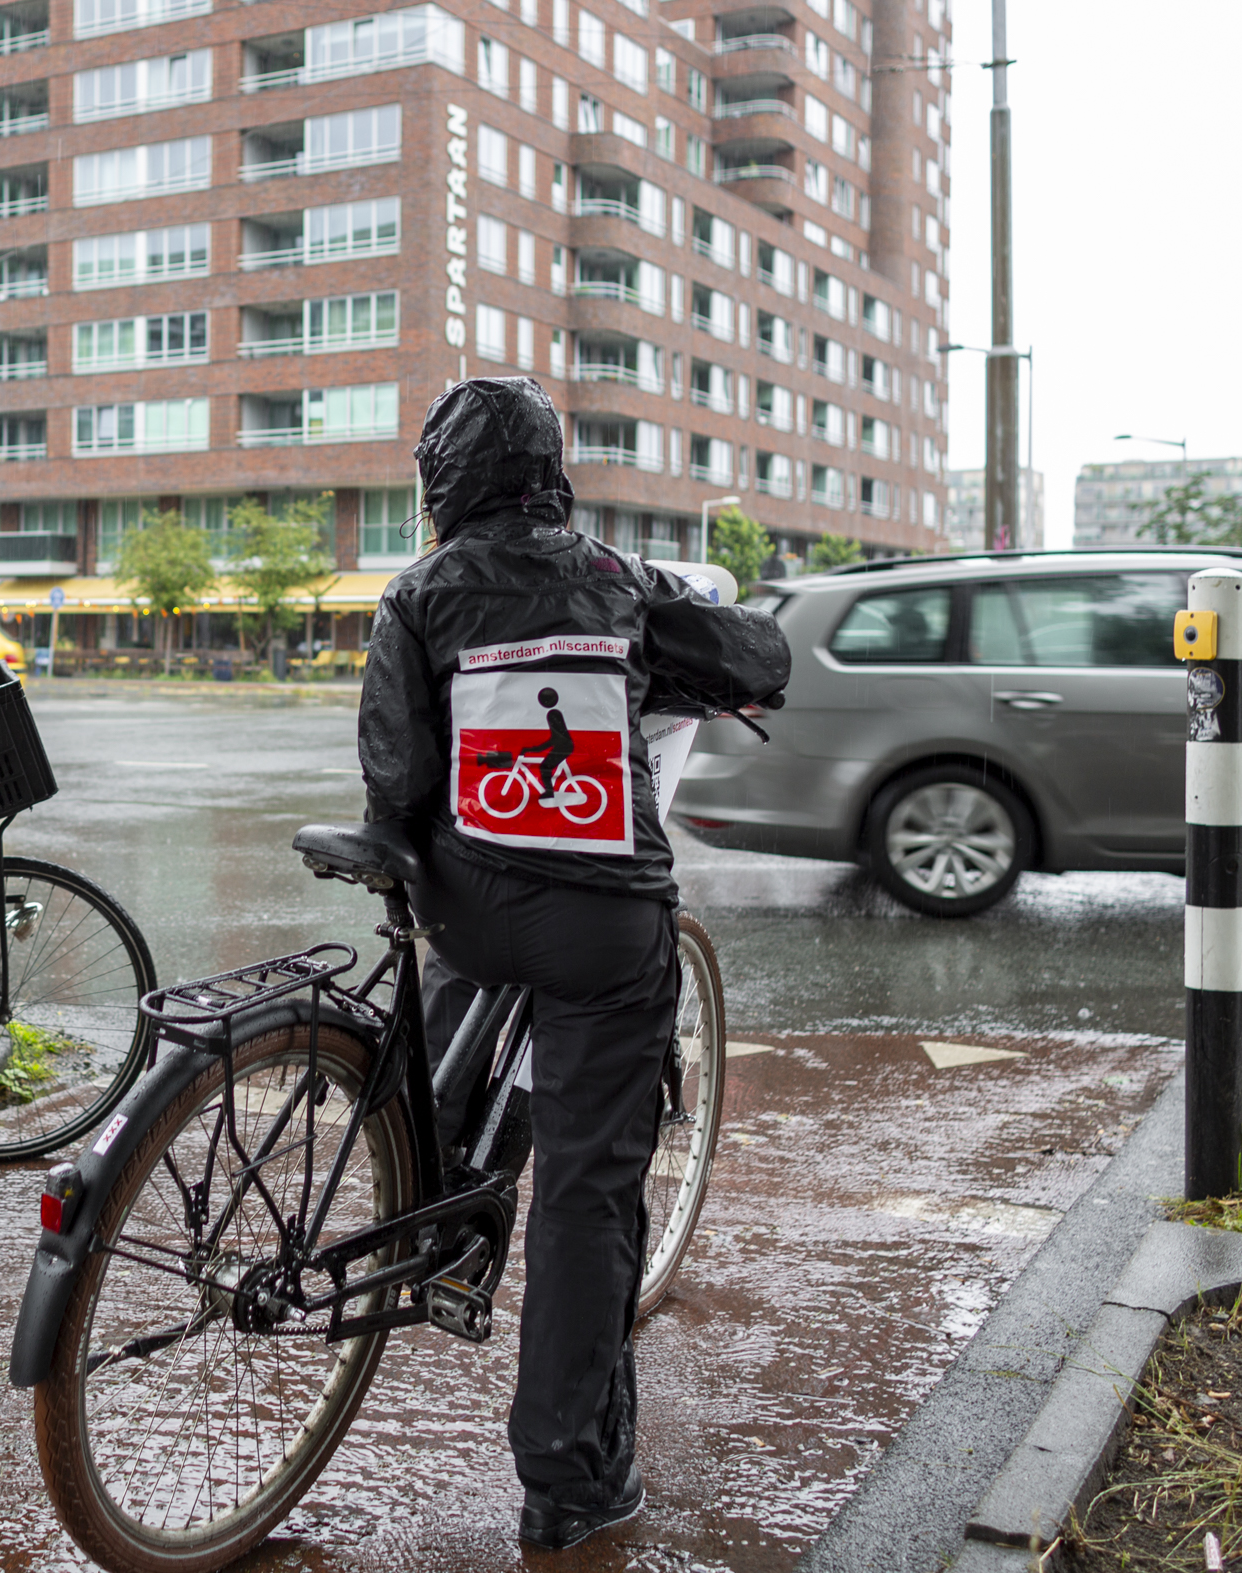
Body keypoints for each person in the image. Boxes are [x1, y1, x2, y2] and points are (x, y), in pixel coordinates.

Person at [358, 377, 790, 1551]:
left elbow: (394, 779)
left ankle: (440, 1223)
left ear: (440, 481)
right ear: (550, 471)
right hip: (601, 921)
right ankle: (571, 1479)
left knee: (447, 1036)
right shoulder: (617, 580)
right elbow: (759, 656)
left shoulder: (417, 593)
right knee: (593, 1187)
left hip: (469, 910)